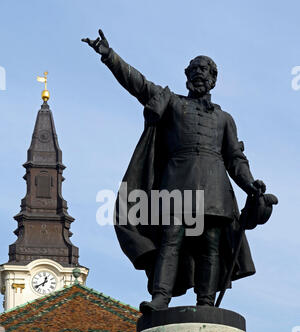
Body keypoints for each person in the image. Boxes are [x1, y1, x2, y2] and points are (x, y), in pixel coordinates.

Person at [82, 30, 266, 313]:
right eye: (195, 70)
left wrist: (251, 184)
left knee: (210, 245)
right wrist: (109, 56)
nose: (200, 75)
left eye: (205, 71)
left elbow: (235, 158)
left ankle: (205, 303)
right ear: (187, 77)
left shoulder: (225, 119)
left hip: (216, 188)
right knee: (171, 240)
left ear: (214, 79)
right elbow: (138, 84)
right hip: (176, 185)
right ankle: (161, 298)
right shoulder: (172, 102)